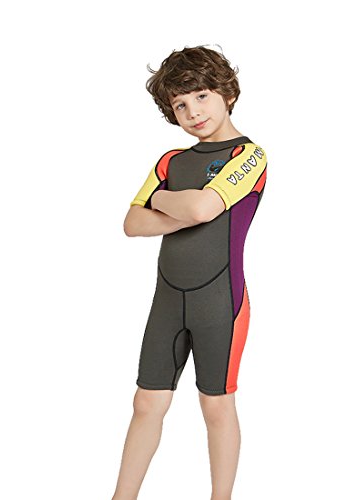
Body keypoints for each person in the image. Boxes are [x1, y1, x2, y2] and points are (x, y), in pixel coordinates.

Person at [112, 45, 267, 500]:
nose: (193, 112)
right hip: (167, 301)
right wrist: (183, 206)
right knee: (146, 402)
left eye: (201, 96)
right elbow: (131, 223)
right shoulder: (170, 162)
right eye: (180, 105)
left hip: (220, 302)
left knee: (215, 406)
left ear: (227, 93)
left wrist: (161, 201)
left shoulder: (249, 156)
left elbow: (201, 207)